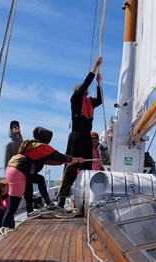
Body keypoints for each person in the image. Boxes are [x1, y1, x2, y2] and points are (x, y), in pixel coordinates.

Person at [2, 127, 83, 227]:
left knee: (37, 181)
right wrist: (74, 159)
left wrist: (67, 161)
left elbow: (49, 160)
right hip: (18, 171)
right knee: (13, 206)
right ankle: (5, 229)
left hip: (13, 168)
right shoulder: (43, 147)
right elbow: (58, 156)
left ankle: (31, 211)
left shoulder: (31, 144)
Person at [57, 56, 103, 208]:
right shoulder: (75, 99)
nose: (86, 94)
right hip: (76, 137)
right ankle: (62, 199)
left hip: (86, 138)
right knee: (71, 166)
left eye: (87, 93)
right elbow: (85, 83)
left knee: (86, 168)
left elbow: (100, 99)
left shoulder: (89, 102)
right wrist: (95, 67)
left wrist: (99, 83)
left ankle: (84, 198)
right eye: (84, 92)